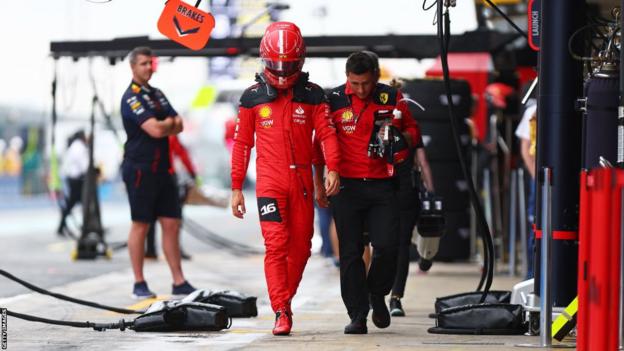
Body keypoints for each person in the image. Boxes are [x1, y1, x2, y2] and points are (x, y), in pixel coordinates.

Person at [230, 22, 341, 336]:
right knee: (276, 246)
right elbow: (241, 144)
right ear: (265, 61)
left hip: (303, 183)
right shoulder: (252, 98)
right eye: (275, 65)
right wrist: (236, 187)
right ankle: (281, 310)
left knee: (303, 247)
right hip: (269, 184)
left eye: (287, 66)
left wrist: (332, 168)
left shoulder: (314, 95)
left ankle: (284, 300)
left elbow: (328, 135)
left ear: (300, 61)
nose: (281, 72)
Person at [315, 51, 422, 334]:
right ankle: (357, 314)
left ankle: (377, 293)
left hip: (383, 184)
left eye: (365, 83)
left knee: (387, 246)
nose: (360, 89)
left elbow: (414, 132)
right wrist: (321, 179)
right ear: (347, 78)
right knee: (350, 253)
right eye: (355, 83)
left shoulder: (392, 97)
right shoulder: (334, 99)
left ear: (376, 76)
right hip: (346, 187)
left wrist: (398, 139)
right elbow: (322, 143)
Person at [120, 46, 195, 299]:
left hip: (163, 168)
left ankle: (179, 281)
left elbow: (180, 124)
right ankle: (138, 283)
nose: (149, 68)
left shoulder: (158, 94)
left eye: (150, 63)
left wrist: (168, 125)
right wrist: (167, 124)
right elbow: (156, 130)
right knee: (140, 224)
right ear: (133, 67)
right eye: (143, 64)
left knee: (172, 223)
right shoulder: (131, 97)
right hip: (140, 168)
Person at [145, 134, 196, 260]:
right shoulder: (169, 129)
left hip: (147, 176)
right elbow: (181, 152)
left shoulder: (143, 126)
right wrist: (192, 172)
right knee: (173, 216)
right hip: (166, 176)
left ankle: (151, 250)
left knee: (149, 216)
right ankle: (175, 250)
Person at [515, 101, 537, 279]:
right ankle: (531, 276)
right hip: (538, 179)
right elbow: (525, 148)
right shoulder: (533, 111)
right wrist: (536, 177)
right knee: (535, 228)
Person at [57, 130, 89, 236]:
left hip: (74, 179)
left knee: (78, 203)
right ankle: (62, 226)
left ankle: (85, 226)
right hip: (76, 180)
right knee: (74, 203)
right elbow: (83, 164)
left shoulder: (76, 146)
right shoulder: (78, 147)